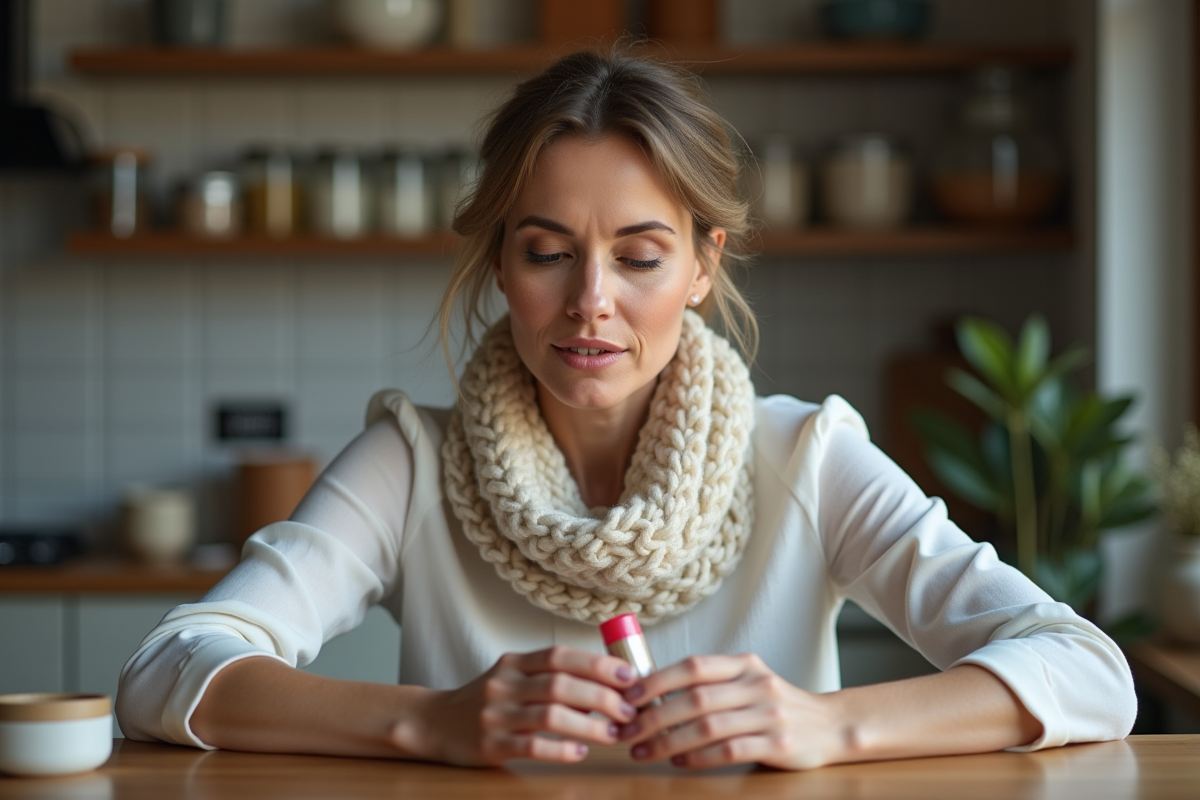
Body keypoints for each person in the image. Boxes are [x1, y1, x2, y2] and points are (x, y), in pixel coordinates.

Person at [116, 49, 1135, 771]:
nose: (590, 300)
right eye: (548, 251)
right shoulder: (413, 461)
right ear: (501, 264)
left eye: (640, 256)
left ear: (702, 265)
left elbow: (1088, 669)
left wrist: (828, 725)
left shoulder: (805, 455)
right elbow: (168, 668)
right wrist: (431, 723)